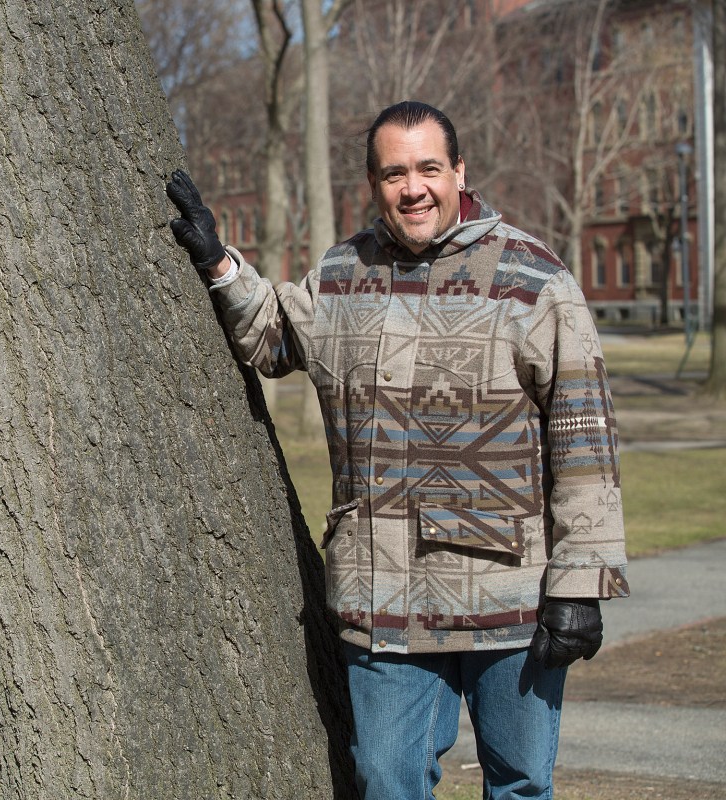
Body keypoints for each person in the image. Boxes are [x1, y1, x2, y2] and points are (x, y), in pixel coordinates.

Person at [166, 101, 629, 799]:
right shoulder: (344, 273)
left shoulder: (536, 279)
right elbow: (274, 336)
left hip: (509, 594)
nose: (412, 187)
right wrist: (218, 263)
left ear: (458, 171)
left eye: (427, 168)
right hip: (385, 598)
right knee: (384, 779)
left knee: (522, 783)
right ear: (374, 183)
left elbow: (583, 433)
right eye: (393, 173)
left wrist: (581, 584)